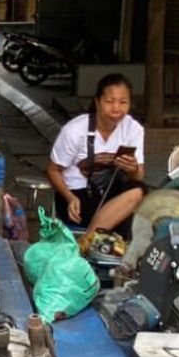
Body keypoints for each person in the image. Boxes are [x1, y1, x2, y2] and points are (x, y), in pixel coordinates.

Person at [45, 73, 147, 237]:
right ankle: (91, 243)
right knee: (123, 220)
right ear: (97, 102)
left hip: (110, 193)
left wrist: (133, 169)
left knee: (139, 189)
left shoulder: (133, 129)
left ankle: (89, 240)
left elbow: (138, 176)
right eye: (109, 101)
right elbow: (52, 170)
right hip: (76, 195)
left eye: (123, 102)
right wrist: (70, 197)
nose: (116, 108)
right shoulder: (75, 130)